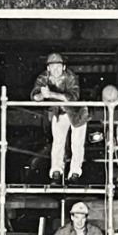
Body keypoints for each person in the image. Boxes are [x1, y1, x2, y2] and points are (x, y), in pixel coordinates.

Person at [31, 52, 89, 185]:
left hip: (77, 112)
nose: (56, 69)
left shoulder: (71, 77)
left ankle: (75, 172)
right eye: (53, 67)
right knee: (57, 142)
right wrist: (42, 95)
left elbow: (72, 97)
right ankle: (56, 171)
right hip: (59, 113)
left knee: (77, 143)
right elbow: (34, 96)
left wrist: (51, 94)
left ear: (64, 67)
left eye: (58, 66)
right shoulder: (43, 77)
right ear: (48, 68)